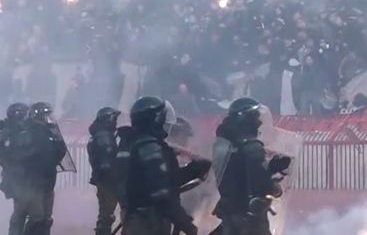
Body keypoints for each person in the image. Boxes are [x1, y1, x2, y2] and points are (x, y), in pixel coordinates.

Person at [120, 96, 209, 235]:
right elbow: (161, 193)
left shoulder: (144, 146)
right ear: (154, 120)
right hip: (147, 224)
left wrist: (192, 171)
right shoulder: (149, 149)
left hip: (150, 221)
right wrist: (185, 223)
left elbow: (164, 181)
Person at [214, 98, 290, 235]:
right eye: (255, 117)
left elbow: (239, 174)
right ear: (246, 119)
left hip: (230, 211)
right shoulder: (252, 147)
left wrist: (271, 167)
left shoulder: (226, 142)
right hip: (250, 217)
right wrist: (273, 183)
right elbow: (262, 184)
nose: (259, 121)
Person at [7, 102, 67, 235]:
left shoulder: (42, 132)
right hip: (35, 186)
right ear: (40, 116)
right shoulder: (35, 134)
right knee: (37, 220)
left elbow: (59, 153)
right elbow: (51, 156)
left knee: (34, 219)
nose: (50, 117)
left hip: (37, 184)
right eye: (47, 114)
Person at [87, 107, 121, 235]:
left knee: (105, 215)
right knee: (106, 216)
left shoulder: (99, 134)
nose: (116, 122)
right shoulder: (103, 137)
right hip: (108, 181)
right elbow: (107, 164)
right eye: (114, 119)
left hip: (102, 180)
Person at [0, 103, 29, 235]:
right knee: (20, 211)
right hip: (16, 176)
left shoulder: (16, 130)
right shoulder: (9, 132)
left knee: (21, 210)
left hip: (19, 175)